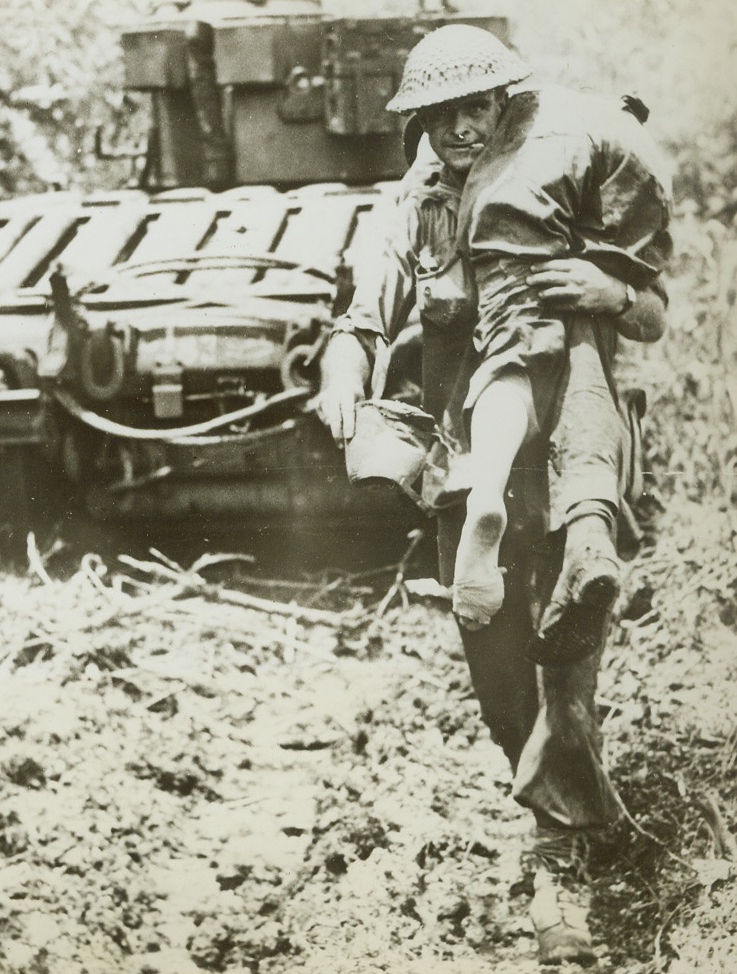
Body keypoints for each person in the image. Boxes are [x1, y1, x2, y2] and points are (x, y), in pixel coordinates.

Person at [314, 24, 671, 967]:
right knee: (498, 669)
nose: (461, 130)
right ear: (419, 124)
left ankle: (560, 875)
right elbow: (376, 279)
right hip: (464, 454)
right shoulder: (413, 200)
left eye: (477, 109)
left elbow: (653, 313)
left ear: (505, 106)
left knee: (568, 641)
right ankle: (571, 799)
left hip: (568, 445)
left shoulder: (558, 175)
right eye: (442, 115)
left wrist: (603, 286)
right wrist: (349, 345)